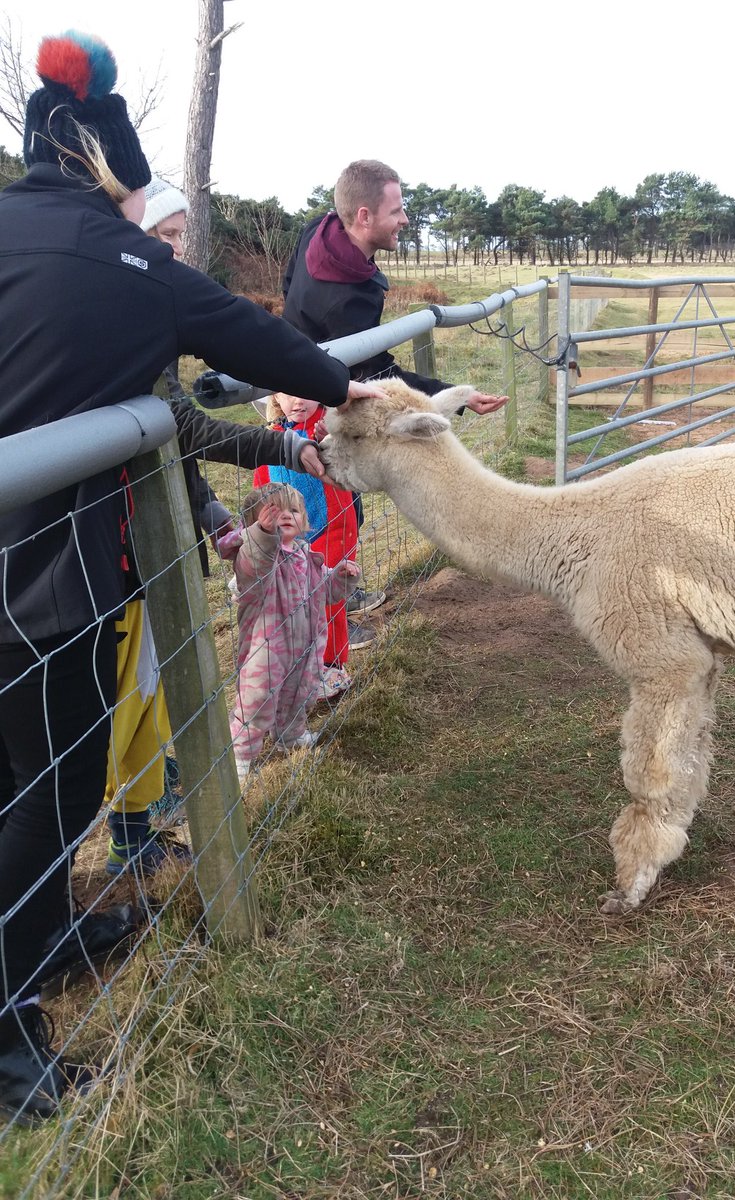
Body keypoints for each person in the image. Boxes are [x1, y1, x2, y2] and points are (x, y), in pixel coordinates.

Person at [0, 31, 382, 1121]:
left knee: (12, 784)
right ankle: (8, 1015)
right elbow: (269, 348)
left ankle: (42, 930)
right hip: (46, 582)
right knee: (54, 790)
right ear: (112, 170)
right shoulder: (128, 265)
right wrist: (341, 391)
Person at [282, 159, 507, 633]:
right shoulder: (348, 299)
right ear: (363, 217)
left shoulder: (317, 233)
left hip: (306, 391)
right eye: (398, 210)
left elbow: (289, 297)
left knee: (335, 513)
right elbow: (380, 375)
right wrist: (454, 396)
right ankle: (323, 626)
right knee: (325, 518)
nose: (405, 219)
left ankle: (332, 603)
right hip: (322, 407)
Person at [216, 484, 358, 780]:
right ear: (254, 522)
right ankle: (241, 756)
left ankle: (290, 736)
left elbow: (325, 591)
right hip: (266, 651)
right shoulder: (257, 558)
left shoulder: (307, 556)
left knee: (300, 695)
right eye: (273, 511)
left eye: (293, 510)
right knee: (256, 702)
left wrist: (342, 578)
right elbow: (252, 567)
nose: (285, 515)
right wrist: (263, 536)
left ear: (305, 520)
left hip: (304, 647)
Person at [253, 393, 361, 692]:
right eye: (287, 394)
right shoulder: (271, 439)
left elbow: (351, 452)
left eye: (305, 393)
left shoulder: (326, 427)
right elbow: (261, 486)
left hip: (333, 529)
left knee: (327, 599)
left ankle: (331, 665)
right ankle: (301, 666)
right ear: (274, 396)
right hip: (290, 540)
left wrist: (332, 437)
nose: (298, 401)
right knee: (294, 604)